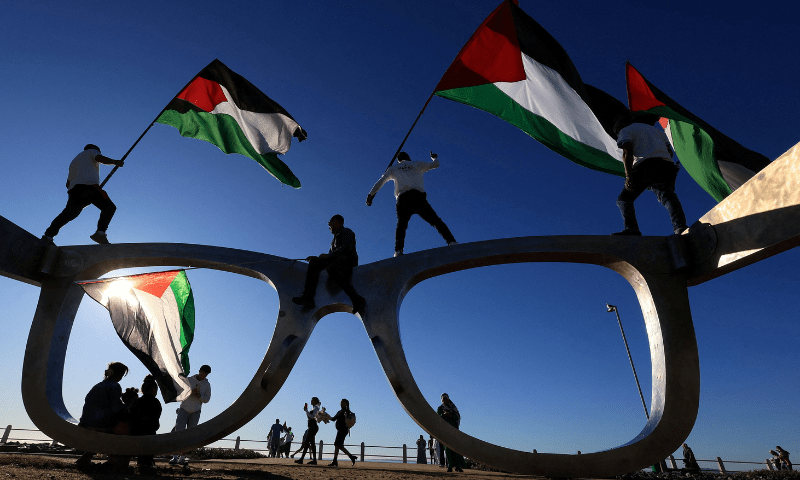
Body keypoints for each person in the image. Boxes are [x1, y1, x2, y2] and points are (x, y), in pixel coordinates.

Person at [366, 151, 457, 257]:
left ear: (398, 160)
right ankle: (452, 242)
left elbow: (381, 181)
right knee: (436, 221)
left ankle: (398, 251)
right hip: (418, 197)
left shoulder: (393, 168)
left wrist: (371, 194)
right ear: (409, 157)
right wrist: (434, 158)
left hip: (403, 199)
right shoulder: (417, 164)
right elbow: (436, 165)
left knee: (401, 224)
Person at [611, 114, 688, 236]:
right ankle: (680, 227)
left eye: (616, 130)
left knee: (624, 199)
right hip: (667, 165)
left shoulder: (625, 130)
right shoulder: (656, 131)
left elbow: (627, 151)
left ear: (623, 125)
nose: (616, 133)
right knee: (668, 196)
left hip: (646, 165)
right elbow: (669, 152)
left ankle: (632, 229)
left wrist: (628, 175)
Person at [42, 144, 125, 245]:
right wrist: (115, 162)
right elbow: (100, 158)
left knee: (68, 214)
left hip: (74, 190)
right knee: (109, 207)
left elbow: (67, 183)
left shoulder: (75, 161)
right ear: (95, 149)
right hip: (88, 187)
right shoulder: (91, 152)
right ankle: (100, 233)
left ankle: (48, 236)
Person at [291, 215, 366, 316]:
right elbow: (331, 256)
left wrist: (329, 255)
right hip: (337, 262)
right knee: (315, 262)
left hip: (346, 262)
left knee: (333, 268)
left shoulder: (347, 232)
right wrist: (317, 258)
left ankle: (357, 299)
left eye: (329, 223)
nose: (329, 226)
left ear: (336, 222)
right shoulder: (335, 239)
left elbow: (347, 248)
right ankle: (308, 297)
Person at [75, 362, 129, 468]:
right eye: (122, 376)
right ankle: (113, 461)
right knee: (124, 427)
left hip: (86, 422)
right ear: (119, 375)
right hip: (101, 423)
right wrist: (128, 405)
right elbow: (115, 409)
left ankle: (86, 458)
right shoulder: (115, 386)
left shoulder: (98, 386)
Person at [169, 364, 212, 466]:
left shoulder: (207, 385)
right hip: (183, 409)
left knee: (189, 435)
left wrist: (199, 396)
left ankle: (182, 457)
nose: (203, 376)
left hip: (195, 411)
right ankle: (174, 457)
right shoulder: (189, 380)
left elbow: (207, 399)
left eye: (205, 374)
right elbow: (180, 390)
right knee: (178, 432)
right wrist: (189, 392)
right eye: (202, 373)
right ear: (199, 371)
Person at [129, 375, 162, 470]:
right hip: (149, 432)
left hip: (135, 432)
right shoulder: (155, 402)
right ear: (154, 389)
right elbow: (155, 418)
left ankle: (141, 462)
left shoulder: (137, 402)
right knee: (149, 440)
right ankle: (147, 462)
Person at [437, 393, 465, 473]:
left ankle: (457, 466)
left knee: (456, 449)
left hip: (454, 430)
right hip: (445, 431)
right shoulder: (440, 408)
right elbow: (438, 418)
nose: (445, 400)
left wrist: (451, 415)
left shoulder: (453, 407)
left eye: (446, 399)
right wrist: (444, 415)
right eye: (443, 399)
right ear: (442, 400)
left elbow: (457, 417)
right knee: (448, 449)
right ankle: (450, 466)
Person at [328, 399, 357, 467]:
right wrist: (325, 416)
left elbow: (347, 419)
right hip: (340, 430)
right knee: (338, 445)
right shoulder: (340, 411)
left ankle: (349, 457)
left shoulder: (346, 411)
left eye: (343, 403)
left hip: (343, 430)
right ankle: (336, 460)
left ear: (346, 404)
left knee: (338, 445)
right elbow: (333, 419)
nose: (341, 404)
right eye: (341, 403)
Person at [295, 397, 321, 465]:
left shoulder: (316, 408)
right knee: (311, 444)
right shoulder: (316, 407)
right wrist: (306, 411)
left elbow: (312, 417)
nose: (311, 401)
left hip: (312, 427)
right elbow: (310, 417)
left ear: (315, 401)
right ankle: (313, 460)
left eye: (312, 400)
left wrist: (306, 411)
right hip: (312, 427)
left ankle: (302, 459)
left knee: (307, 443)